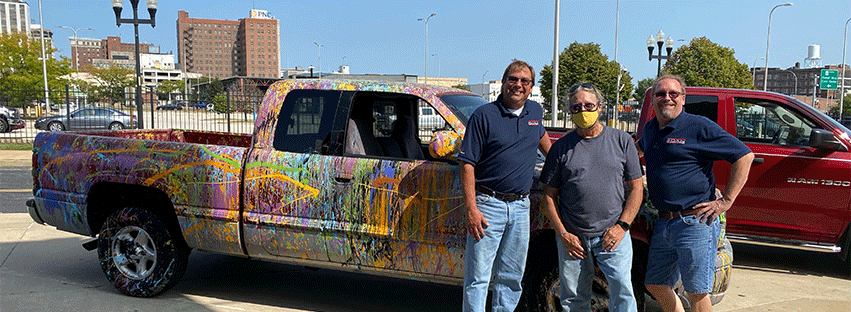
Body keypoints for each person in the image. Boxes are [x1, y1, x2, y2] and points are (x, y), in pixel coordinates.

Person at [637, 75, 754, 312]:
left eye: (673, 94)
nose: (667, 98)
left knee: (697, 292)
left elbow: (744, 156)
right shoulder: (650, 129)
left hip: (695, 221)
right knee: (656, 284)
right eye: (660, 94)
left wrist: (726, 201)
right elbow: (634, 150)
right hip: (664, 222)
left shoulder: (698, 126)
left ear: (683, 99)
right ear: (652, 99)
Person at [540, 82, 643, 312]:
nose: (583, 112)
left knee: (623, 295)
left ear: (600, 106)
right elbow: (548, 196)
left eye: (588, 105)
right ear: (570, 112)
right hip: (573, 239)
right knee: (574, 299)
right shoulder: (561, 148)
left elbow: (637, 189)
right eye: (576, 108)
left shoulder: (621, 141)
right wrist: (563, 233)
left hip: (612, 235)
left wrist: (621, 227)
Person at [458, 60, 551, 312]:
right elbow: (467, 164)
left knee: (511, 276)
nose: (518, 85)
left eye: (524, 81)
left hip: (521, 207)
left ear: (531, 87)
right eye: (513, 79)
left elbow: (545, 142)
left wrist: (564, 167)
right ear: (503, 82)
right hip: (488, 206)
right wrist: (471, 209)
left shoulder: (534, 112)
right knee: (478, 277)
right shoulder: (483, 116)